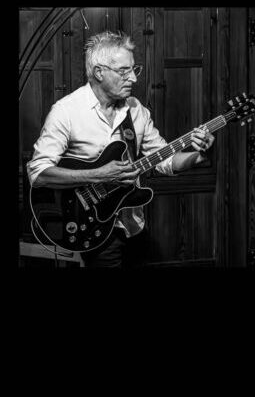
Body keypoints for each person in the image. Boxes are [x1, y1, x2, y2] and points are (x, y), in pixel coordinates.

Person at [27, 30, 215, 268]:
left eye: (134, 69)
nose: (133, 79)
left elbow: (164, 160)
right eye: (124, 71)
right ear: (99, 72)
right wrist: (98, 174)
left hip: (134, 225)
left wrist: (199, 155)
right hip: (91, 227)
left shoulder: (136, 109)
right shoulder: (66, 111)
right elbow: (38, 173)